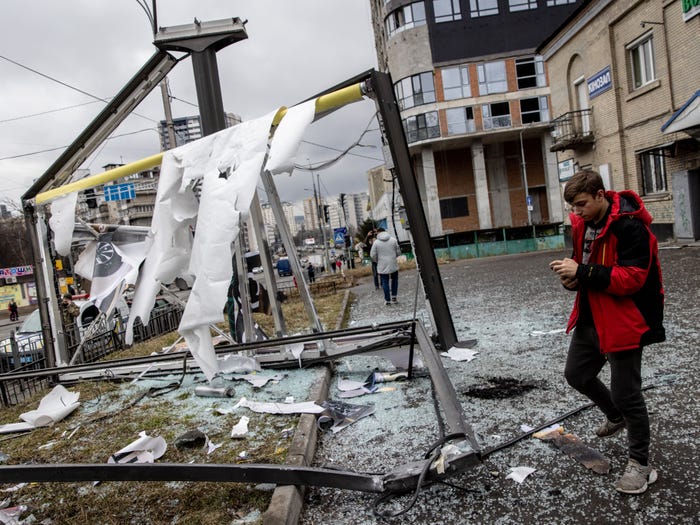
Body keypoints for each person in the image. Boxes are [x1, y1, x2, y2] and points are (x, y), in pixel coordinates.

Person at [549, 169, 665, 495]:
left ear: (601, 195)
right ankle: (615, 416)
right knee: (577, 374)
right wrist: (572, 278)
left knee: (627, 393)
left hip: (625, 320)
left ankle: (641, 465)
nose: (577, 212)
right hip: (591, 318)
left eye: (582, 204)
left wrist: (582, 271)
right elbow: (583, 266)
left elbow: (633, 278)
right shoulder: (582, 225)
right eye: (573, 207)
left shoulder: (629, 225)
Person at [370, 228, 401, 306]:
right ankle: (394, 297)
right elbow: (398, 252)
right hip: (393, 263)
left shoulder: (376, 243)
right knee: (394, 280)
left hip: (382, 264)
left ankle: (387, 300)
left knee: (384, 282)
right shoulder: (393, 240)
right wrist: (393, 257)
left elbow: (372, 255)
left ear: (378, 233)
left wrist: (377, 261)